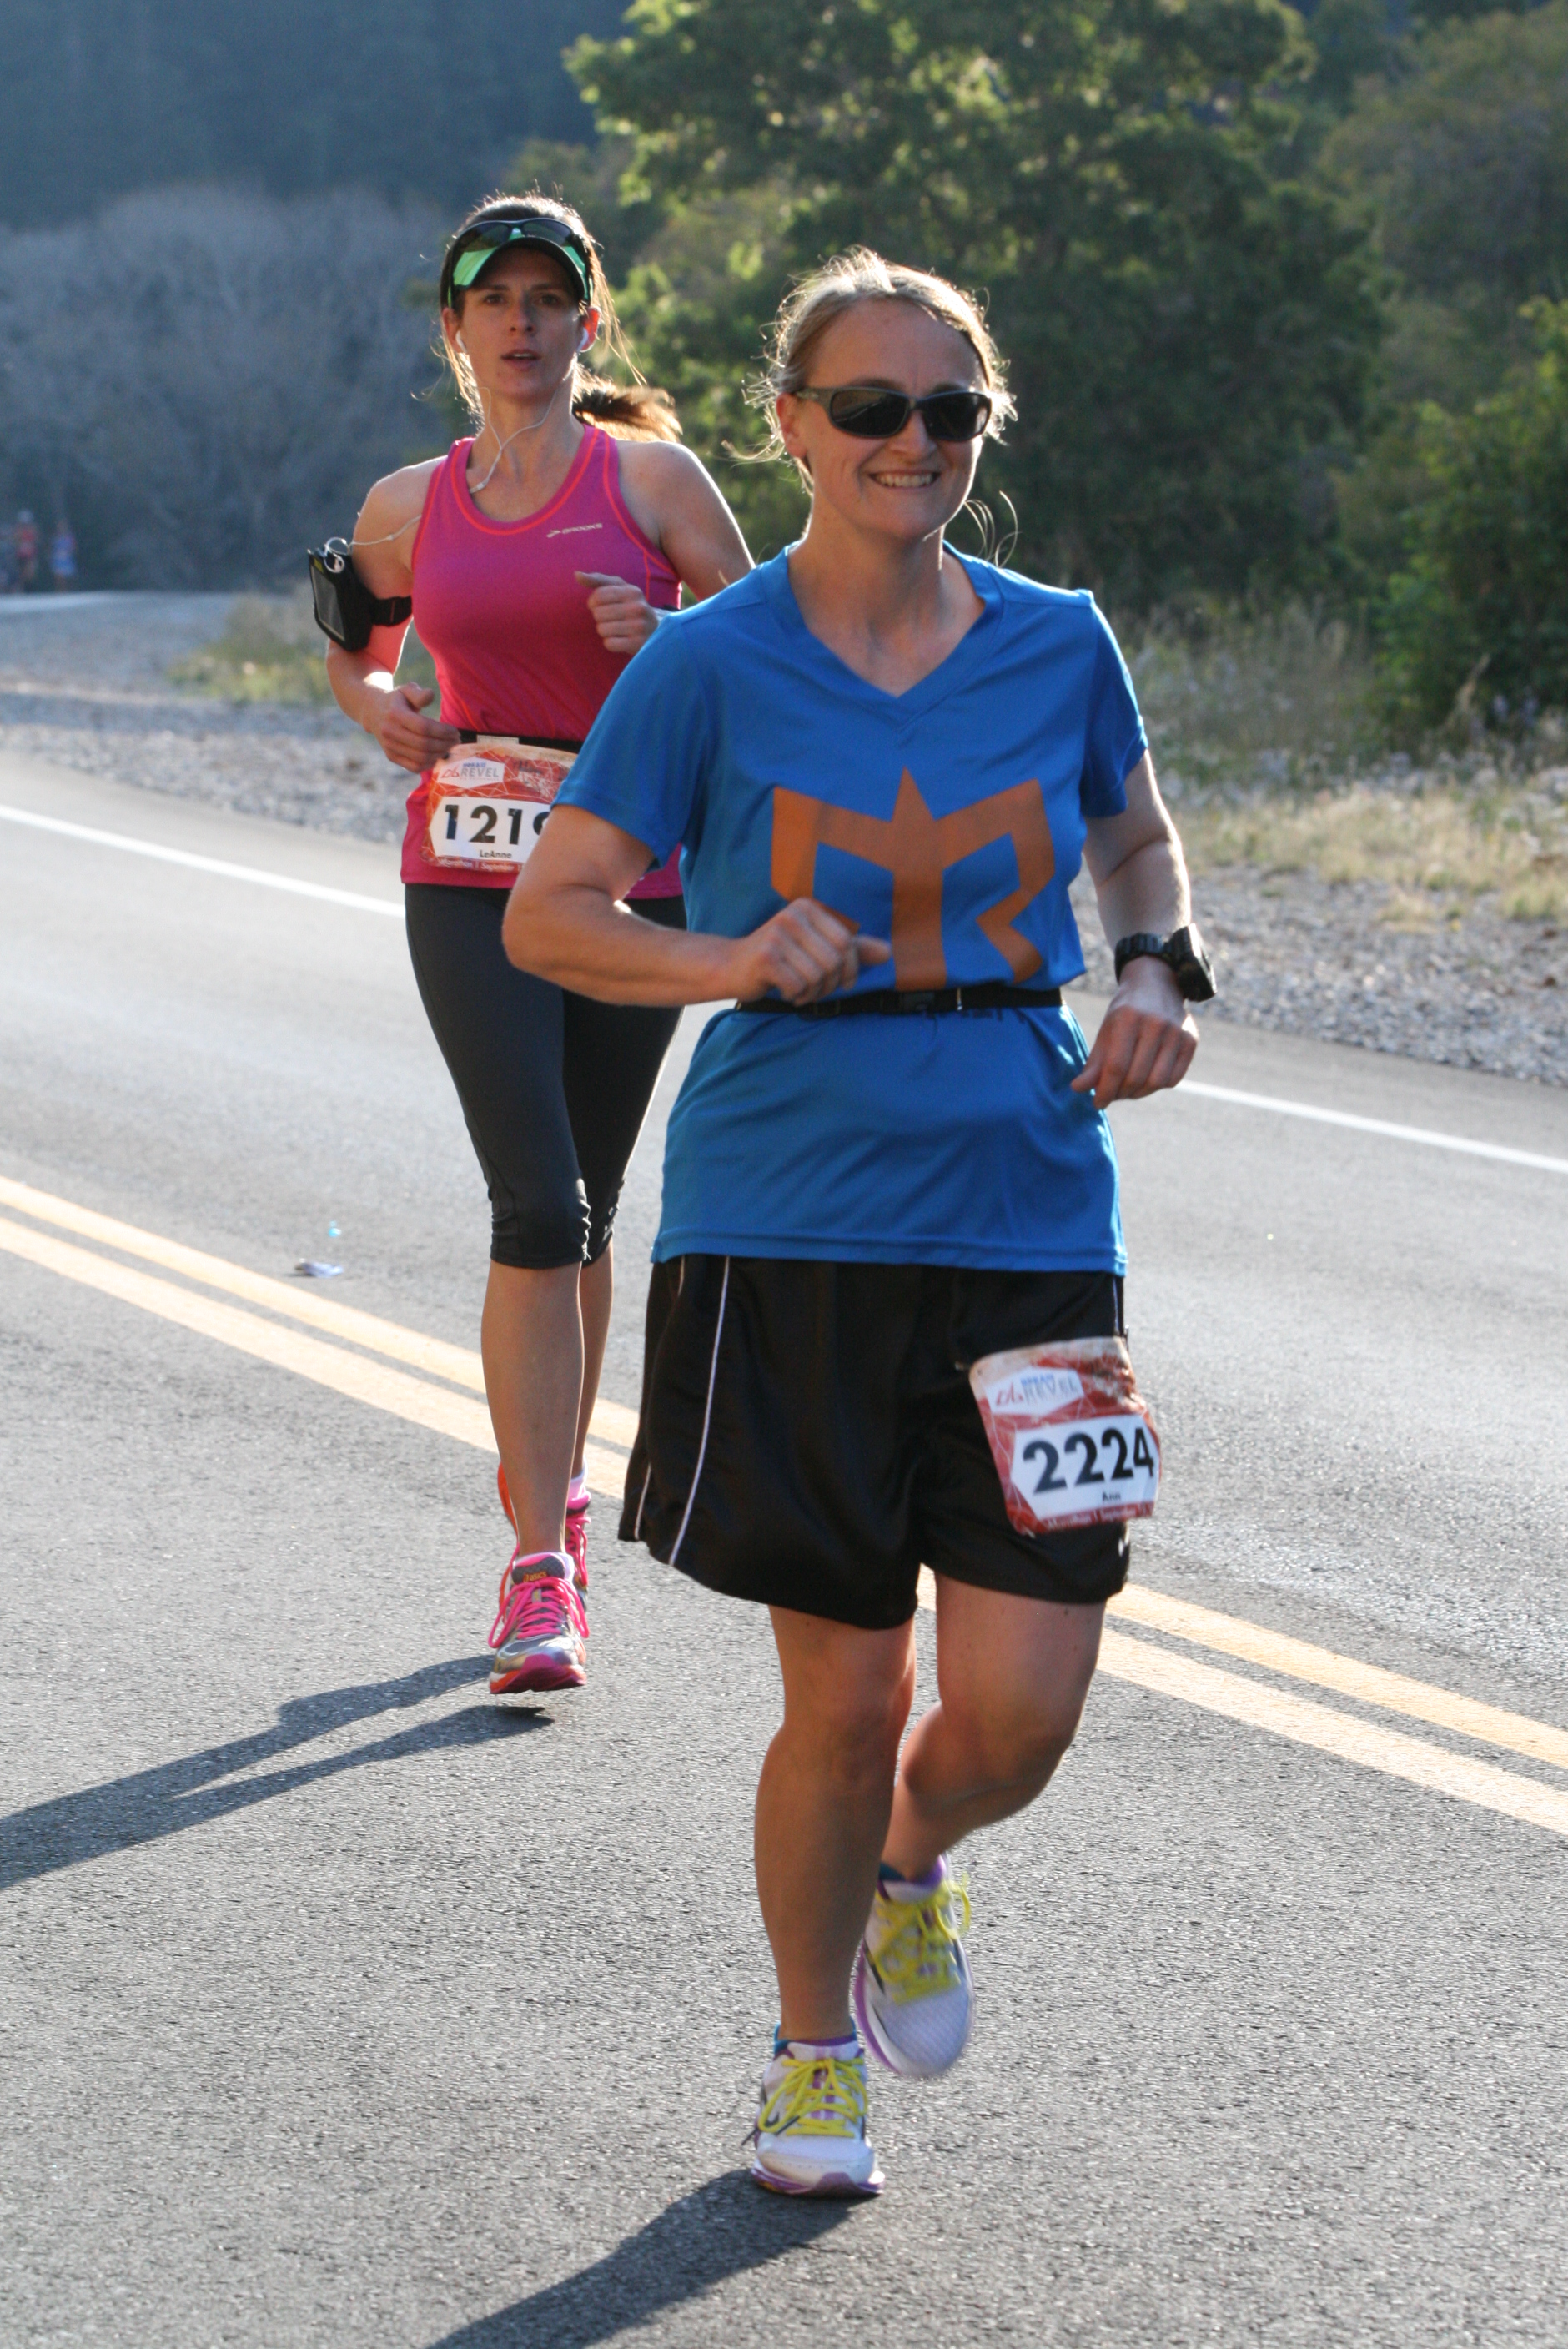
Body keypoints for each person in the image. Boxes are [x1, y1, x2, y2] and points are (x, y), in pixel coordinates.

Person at [505, 249, 1213, 2194]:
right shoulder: (704, 662)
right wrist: (728, 952)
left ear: (983, 429)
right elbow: (552, 912)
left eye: (947, 410)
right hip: (789, 1217)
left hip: (1028, 1202)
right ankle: (811, 2055)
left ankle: (915, 1857)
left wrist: (1154, 964)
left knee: (1020, 1712)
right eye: (870, 408)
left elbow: (1133, 835)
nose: (912, 441)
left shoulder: (1058, 641)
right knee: (845, 1692)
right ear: (792, 426)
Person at [324, 192, 751, 1697]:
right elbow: (351, 629)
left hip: (630, 867)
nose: (522, 322)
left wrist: (670, 637)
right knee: (538, 1201)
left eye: (547, 298)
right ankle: (538, 1568)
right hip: (467, 871)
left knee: (589, 1206)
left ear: (587, 321)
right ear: (456, 328)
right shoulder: (407, 503)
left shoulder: (653, 481)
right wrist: (380, 709)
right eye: (493, 299)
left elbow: (776, 650)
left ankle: (557, 1486)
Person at [50, 519, 77, 591]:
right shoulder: (55, 537)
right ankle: (60, 591)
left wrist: (69, 551)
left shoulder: (70, 537)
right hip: (58, 560)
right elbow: (52, 548)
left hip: (67, 559)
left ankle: (69, 591)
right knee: (59, 577)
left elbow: (73, 548)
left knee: (68, 577)